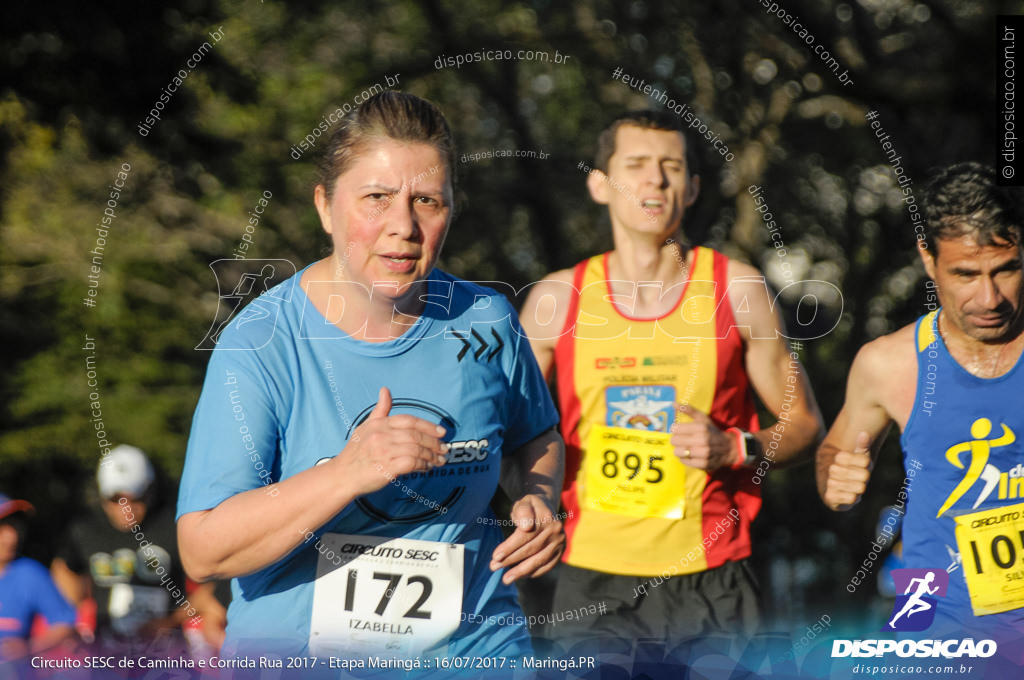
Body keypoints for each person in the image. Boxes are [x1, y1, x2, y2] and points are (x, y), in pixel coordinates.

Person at [177, 91, 565, 660]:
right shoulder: (260, 343)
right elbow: (203, 551)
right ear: (325, 207)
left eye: (427, 200)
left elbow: (536, 436)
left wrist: (539, 497)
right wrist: (348, 472)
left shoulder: (486, 319)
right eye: (377, 198)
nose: (403, 226)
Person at [520, 110, 824, 647]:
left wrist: (737, 447)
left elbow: (804, 426)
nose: (655, 180)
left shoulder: (739, 289)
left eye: (671, 167)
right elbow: (507, 430)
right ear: (599, 184)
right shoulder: (555, 299)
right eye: (635, 164)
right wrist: (530, 497)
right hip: (592, 579)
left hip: (713, 578)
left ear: (691, 188)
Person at [819, 162, 1024, 642]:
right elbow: (834, 454)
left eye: (1006, 269)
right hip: (937, 627)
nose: (989, 297)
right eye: (966, 274)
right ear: (929, 261)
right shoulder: (889, 365)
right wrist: (834, 477)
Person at [52, 445, 225, 656]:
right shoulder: (85, 532)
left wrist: (170, 620)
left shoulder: (175, 527)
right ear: (101, 495)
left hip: (167, 658)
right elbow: (64, 567)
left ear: (150, 490)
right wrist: (75, 610)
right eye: (115, 499)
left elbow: (215, 584)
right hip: (109, 659)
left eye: (135, 498)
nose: (125, 508)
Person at [0, 494, 76, 661]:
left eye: (15, 528)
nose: (11, 537)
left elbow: (66, 623)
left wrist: (29, 647)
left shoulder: (29, 573)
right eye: (2, 528)